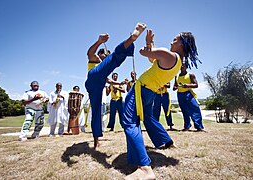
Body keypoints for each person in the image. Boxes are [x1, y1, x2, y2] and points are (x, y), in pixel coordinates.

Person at [122, 29, 201, 179]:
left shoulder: (168, 54)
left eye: (175, 40)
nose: (172, 42)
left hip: (141, 90)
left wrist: (147, 44)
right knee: (149, 118)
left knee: (129, 122)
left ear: (182, 45)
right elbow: (153, 59)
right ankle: (166, 140)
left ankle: (144, 168)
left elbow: (143, 52)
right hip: (150, 92)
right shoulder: (177, 62)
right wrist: (150, 44)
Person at [85, 22, 147, 150]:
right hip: (92, 78)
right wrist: (99, 42)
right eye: (104, 54)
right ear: (100, 54)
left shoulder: (105, 67)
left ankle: (96, 141)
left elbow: (110, 81)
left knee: (96, 112)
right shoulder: (96, 59)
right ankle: (131, 39)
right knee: (114, 57)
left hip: (97, 86)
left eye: (105, 55)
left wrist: (120, 83)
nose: (105, 56)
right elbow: (89, 53)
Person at [173, 62, 204, 131]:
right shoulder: (177, 76)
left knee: (195, 108)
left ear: (186, 67)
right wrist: (177, 87)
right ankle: (187, 126)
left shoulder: (190, 75)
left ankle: (198, 126)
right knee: (184, 111)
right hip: (180, 94)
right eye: (181, 66)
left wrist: (187, 85)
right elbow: (174, 87)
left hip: (188, 94)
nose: (182, 67)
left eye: (183, 65)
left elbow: (196, 85)